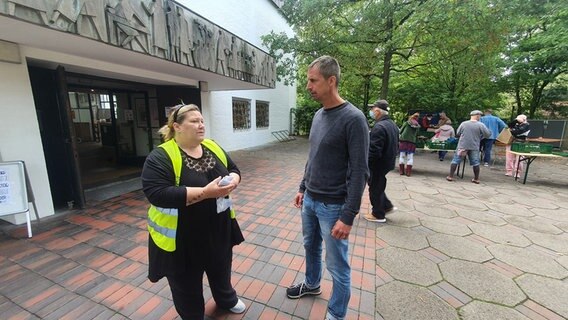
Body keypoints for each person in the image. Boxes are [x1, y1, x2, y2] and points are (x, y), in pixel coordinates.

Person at [141, 104, 246, 319]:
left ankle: (226, 299)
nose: (201, 125)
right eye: (194, 121)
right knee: (185, 283)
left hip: (218, 229)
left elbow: (234, 169)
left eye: (202, 121)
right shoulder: (160, 156)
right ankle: (193, 315)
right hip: (183, 239)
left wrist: (233, 181)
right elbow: (157, 193)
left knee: (221, 270)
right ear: (177, 126)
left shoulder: (212, 146)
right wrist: (206, 193)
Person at [287, 56, 369, 320]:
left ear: (331, 81)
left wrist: (348, 216)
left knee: (337, 265)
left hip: (333, 206)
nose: (308, 86)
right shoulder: (318, 115)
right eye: (308, 80)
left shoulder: (354, 119)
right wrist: (302, 187)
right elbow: (314, 156)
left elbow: (360, 171)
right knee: (310, 246)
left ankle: (336, 314)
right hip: (310, 200)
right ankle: (312, 284)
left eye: (313, 80)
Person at [364, 99, 399, 223]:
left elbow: (374, 151)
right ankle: (387, 206)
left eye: (372, 109)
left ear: (378, 111)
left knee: (375, 188)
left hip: (378, 164)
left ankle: (378, 214)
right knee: (378, 185)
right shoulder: (391, 124)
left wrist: (366, 164)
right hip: (387, 161)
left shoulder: (379, 127)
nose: (371, 112)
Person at [446, 110, 491, 183]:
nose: (480, 117)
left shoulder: (464, 124)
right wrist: (480, 136)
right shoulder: (481, 125)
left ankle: (450, 176)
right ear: (477, 116)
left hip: (462, 145)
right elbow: (487, 134)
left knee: (456, 160)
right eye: (480, 115)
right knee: (475, 162)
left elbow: (458, 133)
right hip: (474, 146)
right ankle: (476, 179)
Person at [398, 112, 420, 176]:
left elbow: (400, 131)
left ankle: (401, 172)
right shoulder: (417, 125)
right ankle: (408, 172)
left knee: (402, 156)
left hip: (403, 140)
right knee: (410, 157)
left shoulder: (406, 123)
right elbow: (417, 134)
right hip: (412, 142)